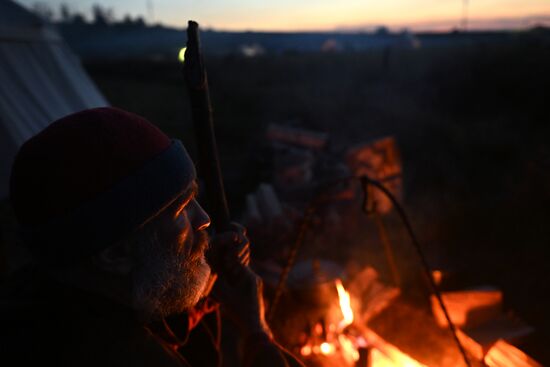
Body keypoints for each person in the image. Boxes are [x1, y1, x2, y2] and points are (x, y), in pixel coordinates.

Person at [0, 107, 303, 367]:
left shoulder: (37, 300)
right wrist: (256, 331)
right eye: (182, 208)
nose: (204, 219)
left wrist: (202, 295)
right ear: (115, 253)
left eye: (194, 198)